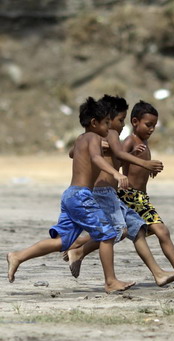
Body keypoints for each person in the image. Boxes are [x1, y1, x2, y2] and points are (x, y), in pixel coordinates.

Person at [6, 97, 135, 293]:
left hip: (70, 196)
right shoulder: (93, 138)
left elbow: (72, 153)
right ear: (94, 123)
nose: (109, 128)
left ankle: (18, 256)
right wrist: (116, 173)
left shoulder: (81, 139)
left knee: (64, 241)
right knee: (108, 234)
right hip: (81, 197)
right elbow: (95, 158)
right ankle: (110, 281)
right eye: (106, 123)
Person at [63, 95, 174, 287]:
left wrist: (122, 155)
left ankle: (158, 273)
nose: (121, 124)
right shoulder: (108, 134)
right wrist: (144, 163)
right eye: (120, 120)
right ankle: (85, 256)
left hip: (111, 193)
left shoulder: (108, 136)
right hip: (103, 192)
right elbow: (106, 154)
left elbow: (116, 157)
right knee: (118, 231)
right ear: (108, 119)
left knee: (137, 229)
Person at [118, 100, 174, 283]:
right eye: (148, 125)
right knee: (160, 231)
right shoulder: (130, 141)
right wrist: (134, 156)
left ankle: (79, 250)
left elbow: (138, 168)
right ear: (135, 122)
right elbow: (117, 160)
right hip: (131, 197)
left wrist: (149, 170)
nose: (151, 129)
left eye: (154, 126)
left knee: (123, 233)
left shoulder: (143, 142)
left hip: (141, 197)